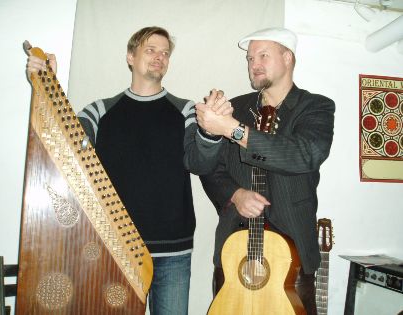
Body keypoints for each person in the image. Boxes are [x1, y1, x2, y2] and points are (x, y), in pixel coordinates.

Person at [26, 26, 230, 315]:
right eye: (150, 50)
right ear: (130, 57)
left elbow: (201, 163)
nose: (159, 57)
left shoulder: (186, 110)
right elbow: (64, 150)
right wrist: (48, 85)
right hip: (114, 250)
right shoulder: (99, 111)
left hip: (172, 252)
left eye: (165, 53)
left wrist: (212, 132)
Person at [196, 27, 335, 314]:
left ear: (287, 58)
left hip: (294, 255)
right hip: (234, 254)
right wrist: (235, 194)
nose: (254, 64)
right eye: (249, 58)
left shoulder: (316, 107)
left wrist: (232, 129)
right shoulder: (235, 107)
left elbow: (304, 154)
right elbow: (210, 169)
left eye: (263, 55)